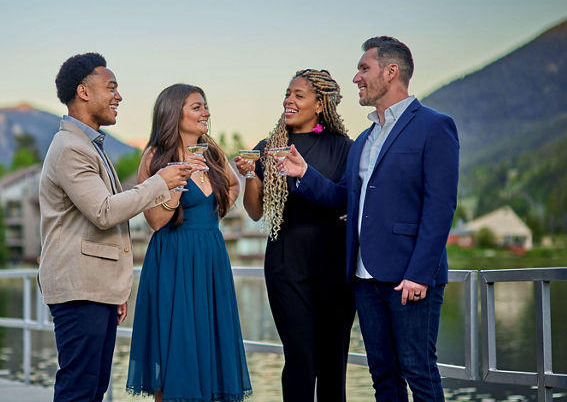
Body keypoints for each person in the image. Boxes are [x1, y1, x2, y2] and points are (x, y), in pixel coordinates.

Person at [283, 37, 460, 402]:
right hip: (364, 278)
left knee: (419, 372)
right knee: (383, 378)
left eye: (364, 68)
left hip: (410, 278)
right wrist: (304, 173)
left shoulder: (434, 126)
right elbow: (341, 197)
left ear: (391, 71)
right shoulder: (364, 139)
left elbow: (440, 206)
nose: (356, 78)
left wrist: (419, 273)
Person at [38, 53, 192, 402]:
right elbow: (104, 212)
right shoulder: (70, 147)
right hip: (80, 290)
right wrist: (160, 182)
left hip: (96, 290)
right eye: (111, 88)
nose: (118, 96)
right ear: (83, 92)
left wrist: (114, 290)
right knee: (79, 389)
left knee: (92, 388)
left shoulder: (89, 144)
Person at [234, 69, 355, 401]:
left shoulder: (345, 148)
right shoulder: (269, 147)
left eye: (298, 95)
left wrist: (305, 173)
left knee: (333, 363)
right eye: (288, 94)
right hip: (286, 262)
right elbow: (256, 211)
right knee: (300, 358)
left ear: (319, 104)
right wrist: (251, 176)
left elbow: (345, 198)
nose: (289, 100)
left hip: (334, 262)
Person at [126, 84, 252, 402]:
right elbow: (155, 221)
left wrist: (215, 212)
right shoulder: (155, 156)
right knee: (174, 348)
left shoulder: (213, 153)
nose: (205, 112)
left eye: (205, 106)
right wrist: (178, 183)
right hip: (173, 259)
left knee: (212, 342)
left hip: (211, 256)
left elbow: (233, 186)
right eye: (197, 107)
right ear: (173, 112)